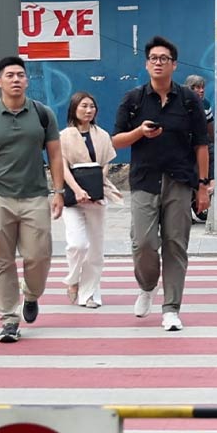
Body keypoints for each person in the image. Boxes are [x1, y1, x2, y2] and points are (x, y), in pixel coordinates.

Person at [112, 36, 210, 332]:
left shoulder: (189, 100)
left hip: (180, 180)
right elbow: (115, 141)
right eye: (153, 58)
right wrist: (140, 132)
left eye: (164, 58)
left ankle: (171, 308)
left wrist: (203, 186)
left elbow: (202, 145)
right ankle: (147, 285)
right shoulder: (133, 99)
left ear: (174, 64)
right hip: (144, 179)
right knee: (142, 242)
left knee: (175, 244)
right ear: (146, 63)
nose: (158, 62)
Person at [0, 56, 65, 343]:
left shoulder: (42, 114)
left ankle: (32, 295)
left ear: (27, 80)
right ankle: (9, 319)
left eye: (20, 75)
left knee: (39, 256)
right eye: (9, 75)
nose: (16, 79)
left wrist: (58, 192)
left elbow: (56, 154)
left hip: (35, 196)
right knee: (1, 260)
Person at [59, 91, 122, 309]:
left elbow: (105, 163)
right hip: (72, 197)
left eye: (92, 106)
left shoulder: (102, 135)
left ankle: (90, 294)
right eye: (83, 106)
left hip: (96, 195)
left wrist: (95, 187)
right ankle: (73, 279)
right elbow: (62, 167)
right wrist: (77, 189)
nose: (88, 110)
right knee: (77, 244)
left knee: (95, 248)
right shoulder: (64, 136)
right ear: (74, 109)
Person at [184, 74, 214, 223]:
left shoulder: (206, 104)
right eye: (196, 88)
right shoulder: (182, 103)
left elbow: (210, 127)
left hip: (201, 144)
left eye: (202, 87)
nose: (200, 90)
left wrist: (213, 142)